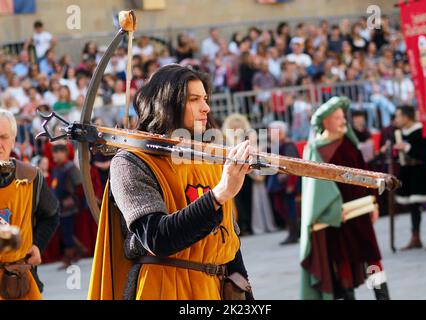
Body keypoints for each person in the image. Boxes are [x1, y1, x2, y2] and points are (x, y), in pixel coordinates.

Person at [88, 64, 253, 300]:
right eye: (194, 99)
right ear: (167, 104)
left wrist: (245, 293)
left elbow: (229, 240)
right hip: (164, 286)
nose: (205, 107)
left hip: (215, 289)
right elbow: (158, 239)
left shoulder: (208, 157)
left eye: (205, 98)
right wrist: (219, 195)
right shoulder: (130, 162)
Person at [300, 97, 390, 300]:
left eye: (343, 117)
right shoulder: (316, 150)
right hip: (337, 218)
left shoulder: (349, 143)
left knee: (373, 260)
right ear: (326, 122)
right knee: (344, 264)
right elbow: (316, 188)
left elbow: (366, 174)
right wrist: (331, 211)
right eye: (338, 118)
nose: (343, 122)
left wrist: (373, 203)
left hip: (361, 213)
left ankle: (383, 297)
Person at [0, 108, 59, 300]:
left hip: (20, 281)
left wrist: (38, 246)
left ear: (13, 140)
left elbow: (51, 214)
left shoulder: (30, 177)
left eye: (4, 137)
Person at [394, 105, 426, 250]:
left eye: (398, 116)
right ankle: (416, 237)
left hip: (421, 173)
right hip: (408, 172)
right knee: (413, 206)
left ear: (406, 117)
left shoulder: (421, 130)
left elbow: (424, 154)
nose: (396, 119)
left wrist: (407, 147)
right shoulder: (400, 132)